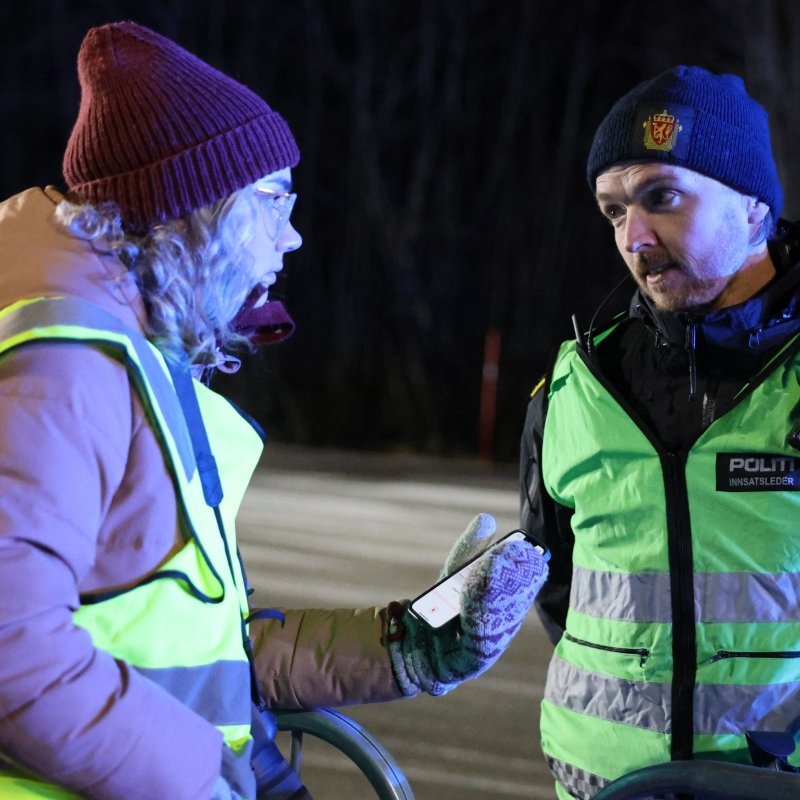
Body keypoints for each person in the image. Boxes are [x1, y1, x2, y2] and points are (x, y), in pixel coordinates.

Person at [0, 20, 550, 800]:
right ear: (192, 211)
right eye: (272, 200)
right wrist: (200, 774)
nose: (291, 237)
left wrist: (412, 641)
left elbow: (205, 652)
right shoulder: (65, 364)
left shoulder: (135, 362)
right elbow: (11, 650)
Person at [519, 65, 800, 799]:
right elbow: (560, 590)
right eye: (614, 211)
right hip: (607, 787)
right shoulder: (575, 388)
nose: (633, 237)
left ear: (752, 208)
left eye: (661, 198)